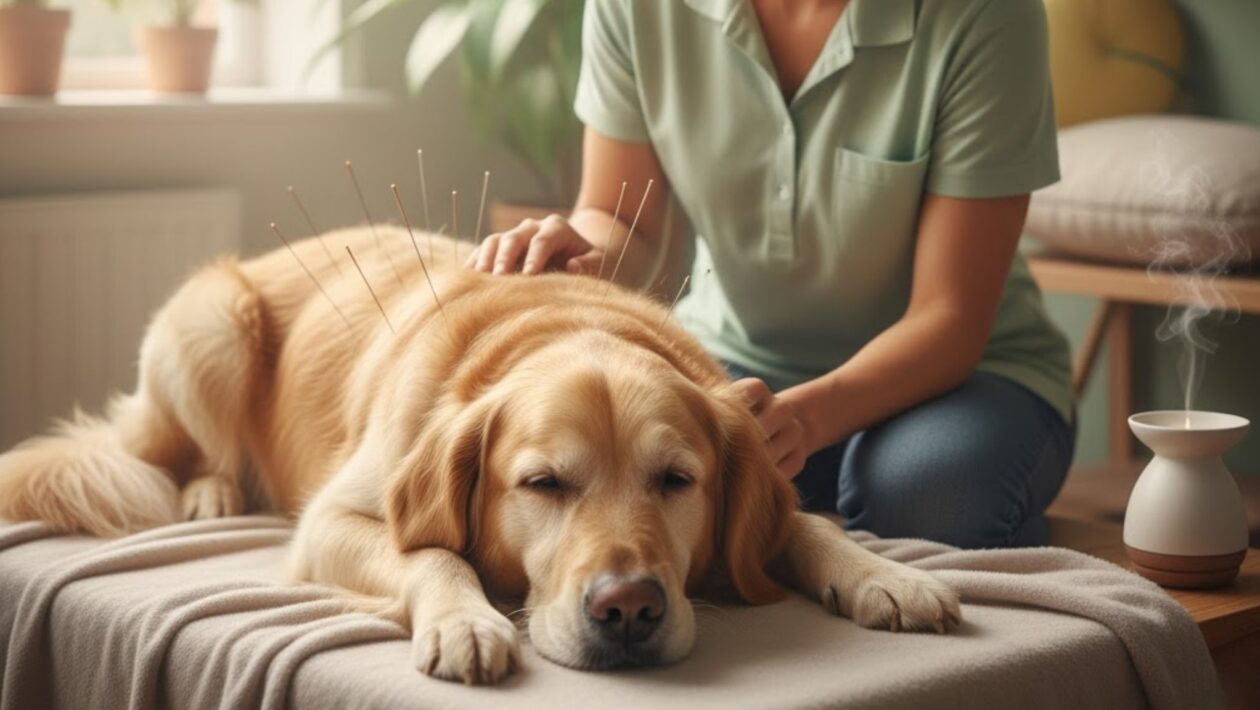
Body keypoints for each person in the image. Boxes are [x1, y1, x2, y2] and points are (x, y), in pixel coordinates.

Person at [466, 0, 1075, 548]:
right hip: (731, 365)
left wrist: (806, 421)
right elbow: (625, 221)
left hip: (961, 379)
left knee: (926, 498)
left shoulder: (988, 15)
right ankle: (826, 496)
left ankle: (862, 491)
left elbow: (949, 317)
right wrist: (581, 251)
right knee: (638, 463)